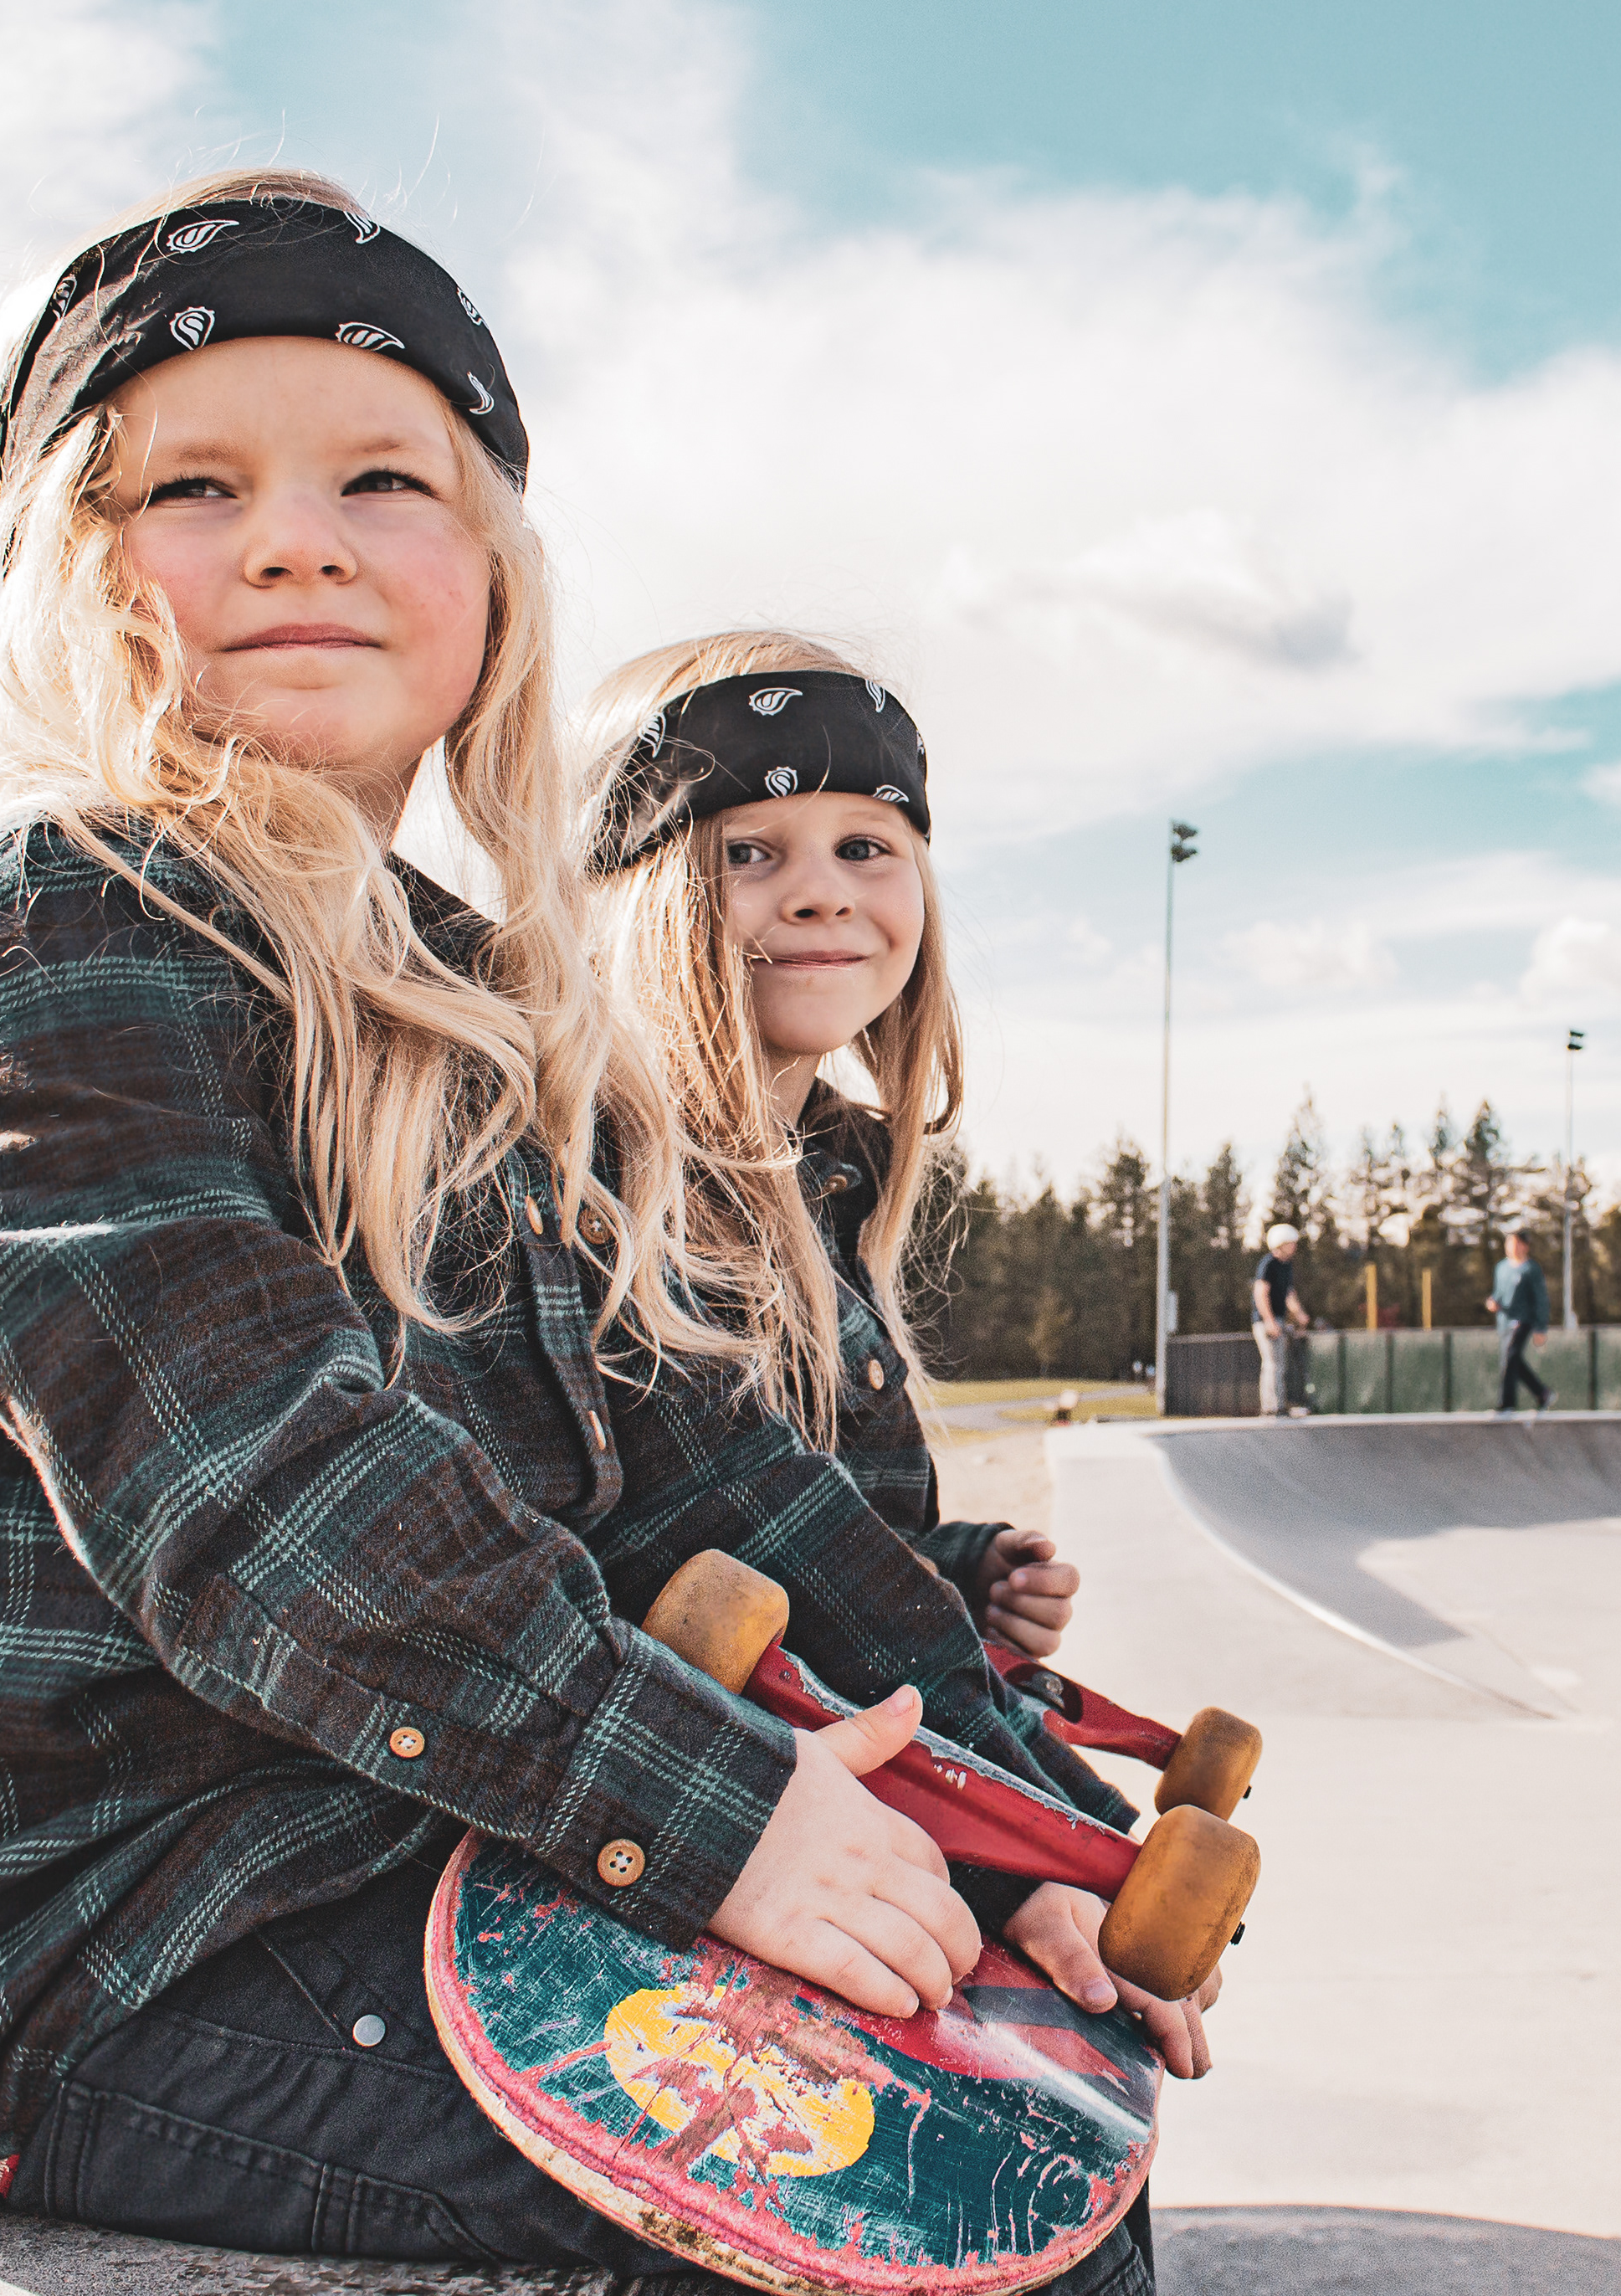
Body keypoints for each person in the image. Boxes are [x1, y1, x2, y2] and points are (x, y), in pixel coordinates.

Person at [0, 175, 1140, 2290]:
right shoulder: (36, 948)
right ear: (64, 584)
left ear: (488, 576)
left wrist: (1011, 1814)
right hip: (88, 1953)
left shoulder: (470, 1002)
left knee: (1044, 2110)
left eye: (381, 476)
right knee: (941, 2202)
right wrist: (730, 1811)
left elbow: (708, 1469)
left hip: (394, 1848)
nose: (295, 537)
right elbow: (279, 1496)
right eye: (191, 487)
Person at [571, 634, 1218, 2099]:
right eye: (749, 849)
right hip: (677, 1799)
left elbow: (830, 1524)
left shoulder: (833, 1178)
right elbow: (707, 1521)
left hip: (837, 1740)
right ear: (632, 891)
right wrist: (1034, 1851)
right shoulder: (605, 1176)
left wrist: (959, 1561)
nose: (821, 890)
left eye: (869, 842)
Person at [1252, 1221, 1313, 1417]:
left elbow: (1289, 1294)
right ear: (1281, 1244)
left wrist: (1299, 1314)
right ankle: (1270, 1407)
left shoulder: (1287, 1266)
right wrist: (1269, 1321)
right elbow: (1260, 1293)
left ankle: (1278, 1403)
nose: (1294, 1247)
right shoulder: (1268, 1263)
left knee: (1280, 1364)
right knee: (1272, 1363)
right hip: (1265, 1322)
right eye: (1291, 1243)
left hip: (1278, 1319)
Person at [1493, 1229, 1553, 1415]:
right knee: (1512, 1360)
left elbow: (1541, 1299)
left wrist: (1540, 1327)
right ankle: (1542, 1393)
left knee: (1511, 1356)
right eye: (1510, 1243)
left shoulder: (1531, 1269)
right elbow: (1499, 1294)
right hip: (1505, 1322)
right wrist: (1493, 1302)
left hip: (1524, 1321)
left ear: (1525, 1246)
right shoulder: (1501, 1268)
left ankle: (1507, 1403)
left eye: (1517, 1243)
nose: (1512, 1247)